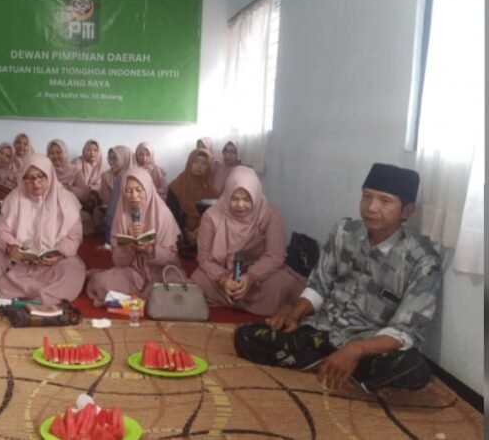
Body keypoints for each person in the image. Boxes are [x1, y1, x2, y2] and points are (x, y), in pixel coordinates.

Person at [234, 163, 442, 393]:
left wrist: (356, 349)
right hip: (323, 332)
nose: (371, 207)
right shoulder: (344, 232)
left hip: (370, 344)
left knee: (414, 368)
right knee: (245, 336)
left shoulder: (422, 260)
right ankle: (334, 364)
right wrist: (294, 315)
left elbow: (407, 329)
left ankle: (332, 362)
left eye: (385, 201)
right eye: (366, 196)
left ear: (406, 211)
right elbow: (319, 285)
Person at [0, 154, 86, 304]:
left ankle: (45, 294)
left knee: (73, 268)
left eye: (41, 177)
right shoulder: (14, 198)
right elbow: (1, 231)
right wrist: (11, 246)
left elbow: (75, 236)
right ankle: (28, 292)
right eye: (29, 178)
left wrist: (60, 253)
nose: (35, 183)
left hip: (52, 264)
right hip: (18, 262)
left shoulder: (67, 200)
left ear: (50, 175)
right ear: (22, 178)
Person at [191, 166, 305, 315]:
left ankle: (232, 299)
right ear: (227, 194)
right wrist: (223, 280)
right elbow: (204, 258)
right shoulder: (211, 216)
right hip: (222, 269)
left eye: (247, 199)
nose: (240, 205)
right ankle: (243, 299)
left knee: (282, 283)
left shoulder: (270, 215)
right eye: (234, 198)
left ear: (256, 196)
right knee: (199, 280)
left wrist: (251, 277)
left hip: (258, 273)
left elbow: (275, 256)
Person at [86, 167, 184, 306]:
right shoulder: (121, 215)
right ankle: (144, 301)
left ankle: (134, 300)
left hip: (161, 271)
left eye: (139, 190)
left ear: (148, 189)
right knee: (101, 283)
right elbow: (118, 262)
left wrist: (149, 249)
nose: (133, 196)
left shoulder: (163, 214)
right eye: (128, 190)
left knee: (175, 287)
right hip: (133, 272)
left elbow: (170, 257)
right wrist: (128, 244)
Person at [167, 148, 218, 247]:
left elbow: (215, 215)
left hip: (205, 233)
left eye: (204, 163)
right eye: (196, 161)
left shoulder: (211, 190)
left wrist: (201, 229)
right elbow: (171, 215)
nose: (199, 166)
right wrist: (186, 232)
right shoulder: (176, 187)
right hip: (180, 234)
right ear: (189, 163)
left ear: (208, 167)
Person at [99, 145, 134, 244]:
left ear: (125, 159)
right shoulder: (106, 176)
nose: (111, 162)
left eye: (115, 159)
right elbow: (106, 201)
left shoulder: (135, 175)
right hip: (113, 211)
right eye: (109, 158)